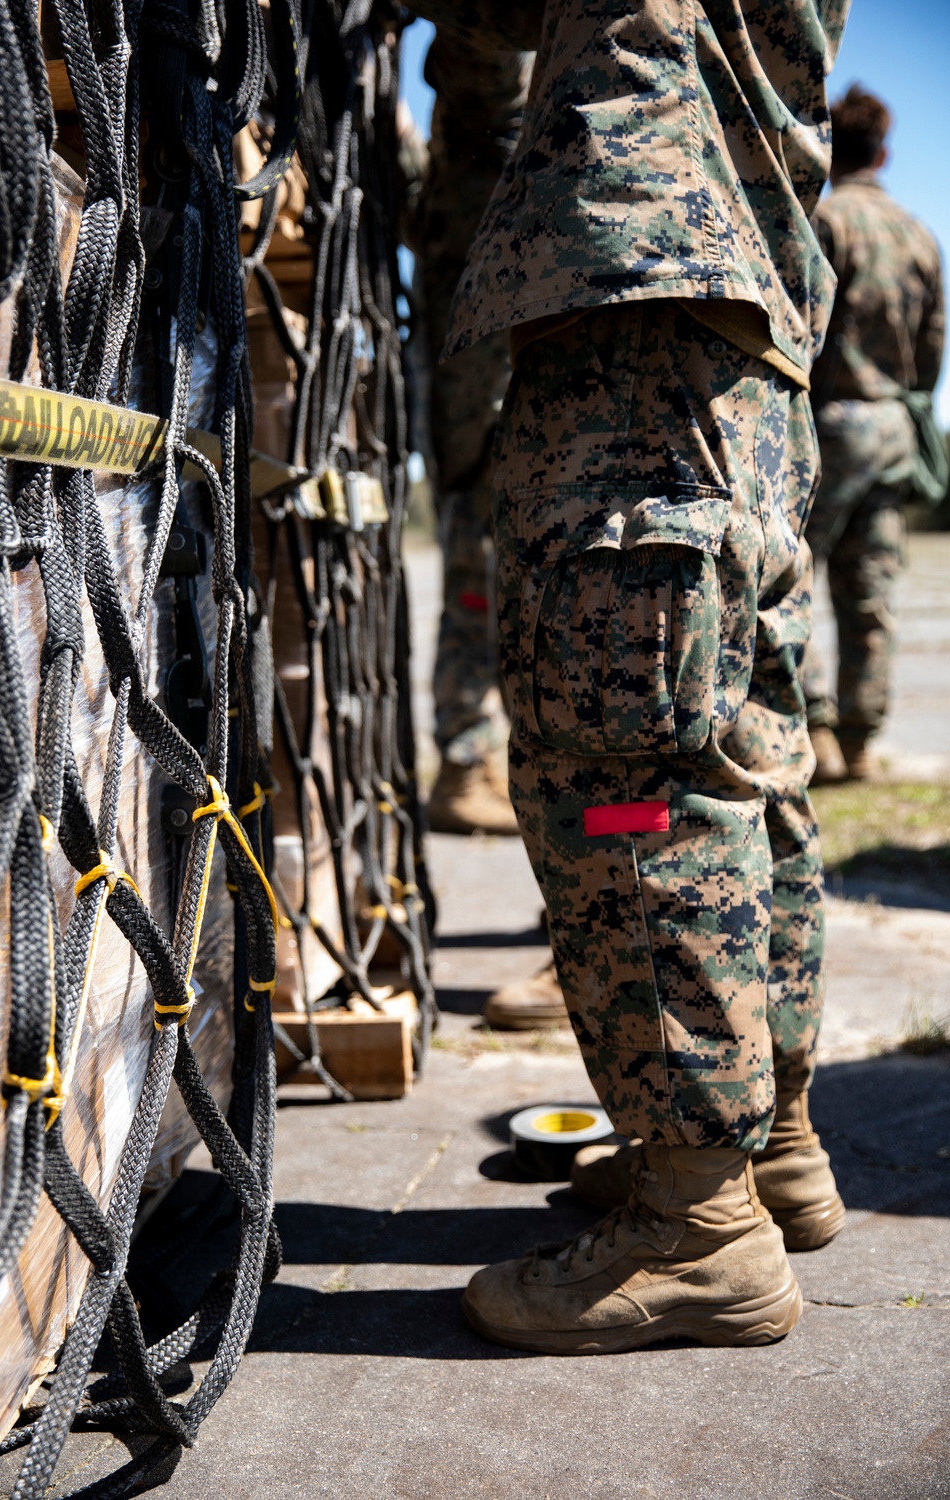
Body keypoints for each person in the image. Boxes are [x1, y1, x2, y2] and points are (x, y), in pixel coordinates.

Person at [412, 0, 850, 1355]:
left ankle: (695, 1229)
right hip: (738, 317)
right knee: (736, 755)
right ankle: (767, 1153)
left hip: (629, 290)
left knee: (627, 781)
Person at [802, 86, 946, 784]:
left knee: (789, 576)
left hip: (831, 423)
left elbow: (802, 329)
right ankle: (861, 741)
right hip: (893, 426)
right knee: (870, 592)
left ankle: (818, 731)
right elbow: (934, 345)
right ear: (885, 152)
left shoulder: (825, 224)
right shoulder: (919, 234)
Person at [409, 34, 531, 839]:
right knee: (478, 567)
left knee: (478, 562)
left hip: (474, 388)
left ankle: (472, 754)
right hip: (484, 391)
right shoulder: (498, 147)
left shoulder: (468, 155)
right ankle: (465, 759)